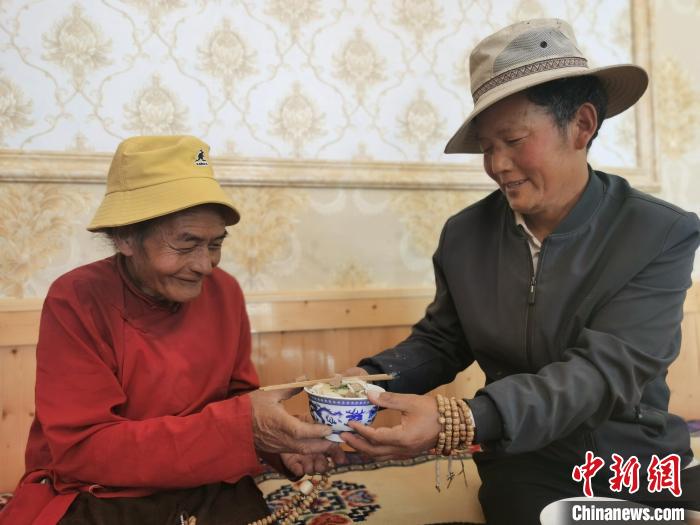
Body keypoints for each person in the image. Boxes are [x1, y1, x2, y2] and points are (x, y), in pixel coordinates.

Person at [341, 18, 700, 524]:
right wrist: (366, 380)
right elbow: (443, 341)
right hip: (525, 460)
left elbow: (603, 373)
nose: (497, 164)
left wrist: (465, 418)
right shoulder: (465, 235)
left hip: (634, 461)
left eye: (512, 139)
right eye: (487, 147)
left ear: (582, 125)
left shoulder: (660, 232)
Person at [0, 135, 343, 525]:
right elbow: (83, 450)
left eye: (215, 244)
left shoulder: (225, 291)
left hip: (205, 479)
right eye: (186, 244)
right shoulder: (77, 298)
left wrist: (281, 446)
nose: (204, 265)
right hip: (103, 490)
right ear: (125, 237)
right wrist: (241, 429)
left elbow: (237, 398)